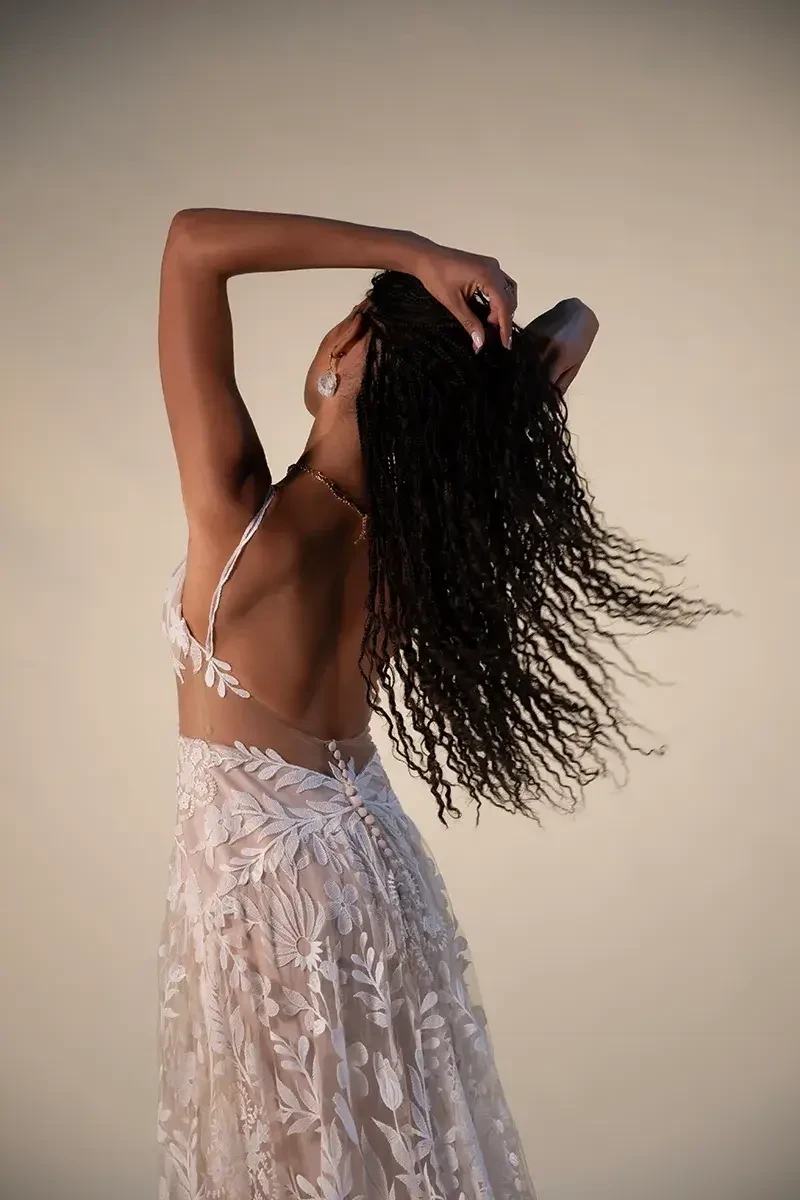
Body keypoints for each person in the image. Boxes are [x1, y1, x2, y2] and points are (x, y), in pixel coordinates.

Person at [156, 210, 713, 1199]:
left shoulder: (238, 511)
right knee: (397, 1146)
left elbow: (192, 245)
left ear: (337, 363)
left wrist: (413, 256)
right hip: (376, 874)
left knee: (298, 1167)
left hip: (267, 898)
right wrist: (466, 362)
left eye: (346, 326)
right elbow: (576, 322)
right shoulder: (423, 529)